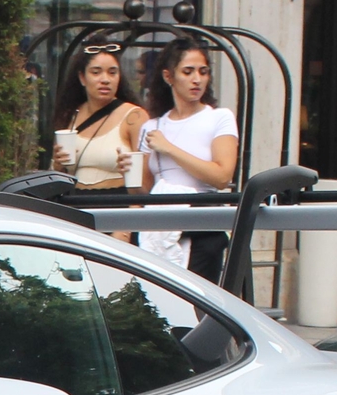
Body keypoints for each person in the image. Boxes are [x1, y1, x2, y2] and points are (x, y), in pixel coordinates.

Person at [136, 38, 239, 282]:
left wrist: (170, 149)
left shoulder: (219, 118)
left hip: (201, 226)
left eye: (203, 72)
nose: (197, 79)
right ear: (168, 76)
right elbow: (143, 190)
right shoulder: (152, 127)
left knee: (195, 306)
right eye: (188, 72)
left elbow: (223, 176)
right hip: (160, 226)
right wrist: (126, 168)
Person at [50, 39, 149, 192]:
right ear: (82, 78)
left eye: (112, 72)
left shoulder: (134, 117)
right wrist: (57, 165)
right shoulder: (71, 115)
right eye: (96, 72)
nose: (105, 80)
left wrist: (130, 174)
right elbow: (57, 180)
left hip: (115, 203)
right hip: (75, 203)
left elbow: (145, 188)